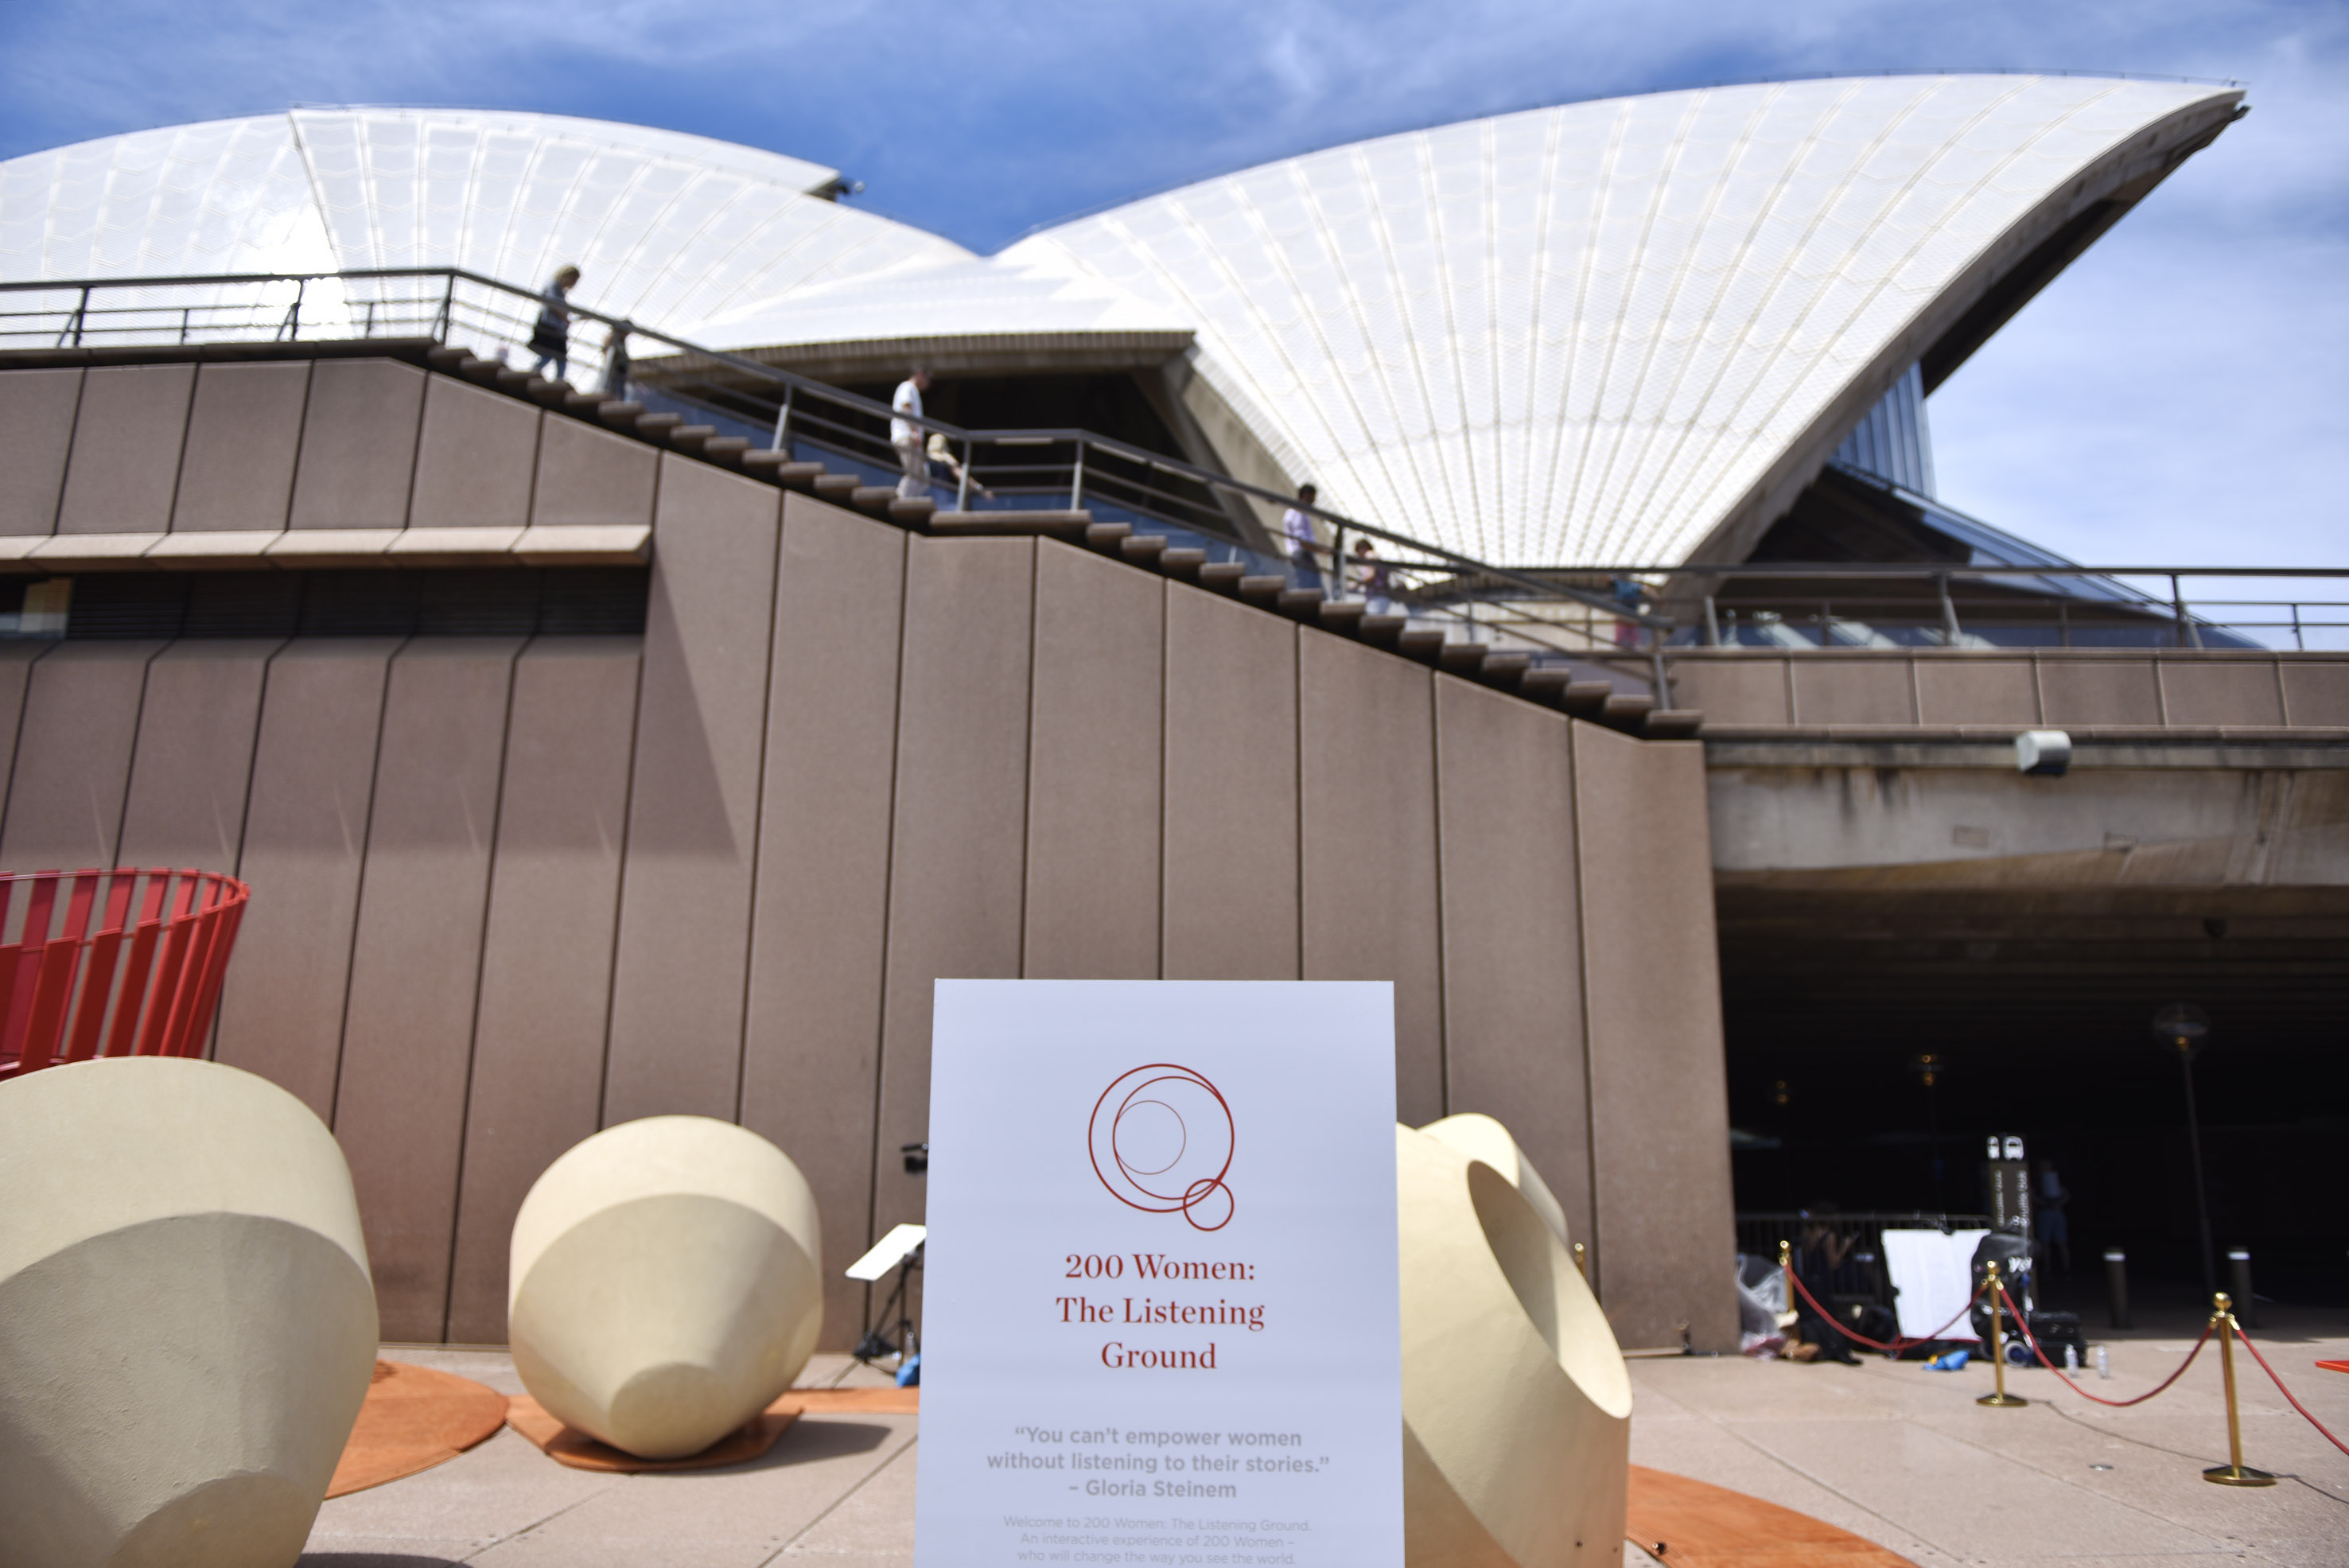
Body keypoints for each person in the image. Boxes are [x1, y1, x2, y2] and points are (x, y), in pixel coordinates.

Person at [527, 265, 581, 383]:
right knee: (552, 356)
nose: (573, 283)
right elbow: (553, 305)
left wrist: (571, 318)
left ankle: (555, 378)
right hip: (551, 327)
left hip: (556, 329)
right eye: (573, 279)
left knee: (555, 357)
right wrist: (565, 319)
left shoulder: (560, 291)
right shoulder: (553, 285)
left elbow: (561, 309)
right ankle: (549, 377)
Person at [892, 368, 933, 499]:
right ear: (920, 375)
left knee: (923, 478)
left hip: (911, 437)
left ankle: (909, 499)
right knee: (913, 474)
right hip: (906, 435)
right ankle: (900, 499)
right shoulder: (907, 387)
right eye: (928, 378)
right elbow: (906, 407)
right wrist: (914, 432)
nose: (929, 383)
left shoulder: (913, 390)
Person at [926, 431, 993, 504]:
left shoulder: (925, 459)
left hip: (929, 495)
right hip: (944, 497)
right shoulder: (947, 460)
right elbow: (962, 476)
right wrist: (981, 490)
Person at [1282, 483, 1322, 592]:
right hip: (1302, 554)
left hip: (1303, 554)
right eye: (1313, 497)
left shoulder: (1299, 512)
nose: (1314, 501)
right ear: (1306, 495)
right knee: (1308, 585)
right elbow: (1301, 541)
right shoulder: (1297, 512)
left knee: (1310, 584)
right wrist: (1321, 550)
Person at [2036, 1161, 2071, 1274]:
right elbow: (2031, 1195)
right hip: (2045, 1212)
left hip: (2057, 1212)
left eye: (2047, 1164)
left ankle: (2067, 1269)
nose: (2045, 1167)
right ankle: (2047, 1269)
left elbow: (2066, 1194)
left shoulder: (2057, 1178)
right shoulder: (2037, 1179)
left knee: (2062, 1241)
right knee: (2045, 1243)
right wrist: (2044, 1204)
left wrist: (2058, 1204)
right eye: (2043, 1165)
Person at [1351, 536, 1392, 614]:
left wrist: (1356, 584)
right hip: (1380, 596)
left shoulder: (1370, 555)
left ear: (1363, 549)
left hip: (1378, 596)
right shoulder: (1374, 556)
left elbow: (1370, 575)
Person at [599, 322, 631, 399]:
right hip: (613, 370)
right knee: (611, 389)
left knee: (619, 392)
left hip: (621, 372)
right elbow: (607, 352)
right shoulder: (613, 338)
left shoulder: (622, 342)